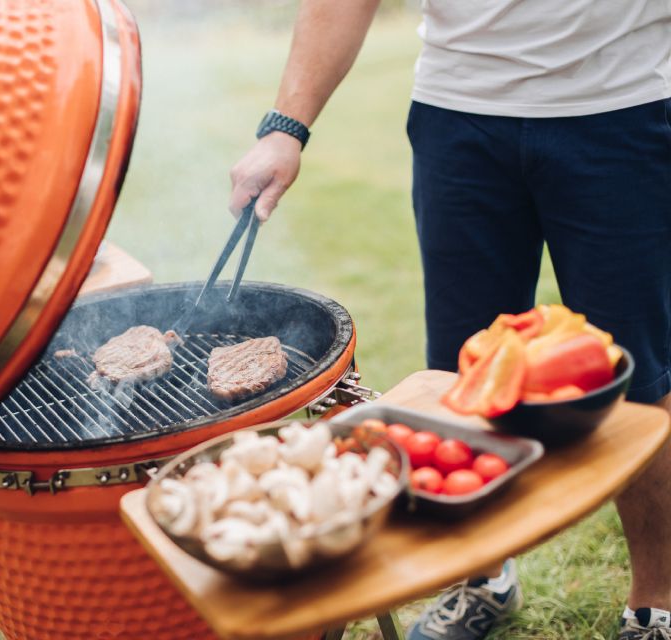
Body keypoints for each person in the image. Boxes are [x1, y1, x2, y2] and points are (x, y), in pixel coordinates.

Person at [228, 2, 671, 639]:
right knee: (462, 374)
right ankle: (483, 578)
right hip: (459, 116)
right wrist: (284, 127)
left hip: (620, 106)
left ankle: (655, 603)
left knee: (642, 377)